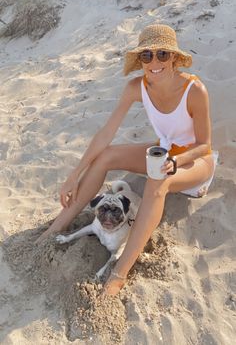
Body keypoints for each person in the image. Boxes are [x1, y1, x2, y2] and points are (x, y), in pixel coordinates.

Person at [38, 24, 217, 295]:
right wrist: (73, 175)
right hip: (164, 151)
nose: (154, 63)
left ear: (175, 58)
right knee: (107, 155)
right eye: (147, 56)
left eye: (162, 55)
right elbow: (105, 134)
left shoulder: (194, 90)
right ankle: (57, 227)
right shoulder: (137, 87)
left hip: (195, 163)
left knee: (157, 182)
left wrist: (176, 163)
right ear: (140, 60)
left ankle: (120, 272)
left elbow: (205, 146)